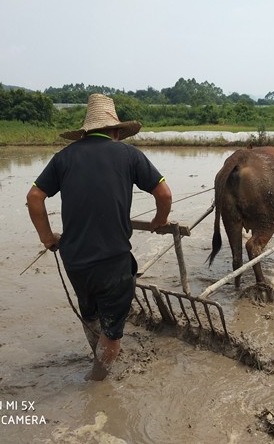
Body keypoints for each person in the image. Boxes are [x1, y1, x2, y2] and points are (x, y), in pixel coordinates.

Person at [26, 93, 172, 381]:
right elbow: (164, 193)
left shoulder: (64, 157)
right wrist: (159, 221)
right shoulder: (129, 155)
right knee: (114, 332)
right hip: (112, 261)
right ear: (117, 131)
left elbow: (34, 197)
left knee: (90, 313)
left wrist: (48, 237)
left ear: (86, 131)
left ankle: (97, 352)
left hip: (74, 259)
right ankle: (97, 381)